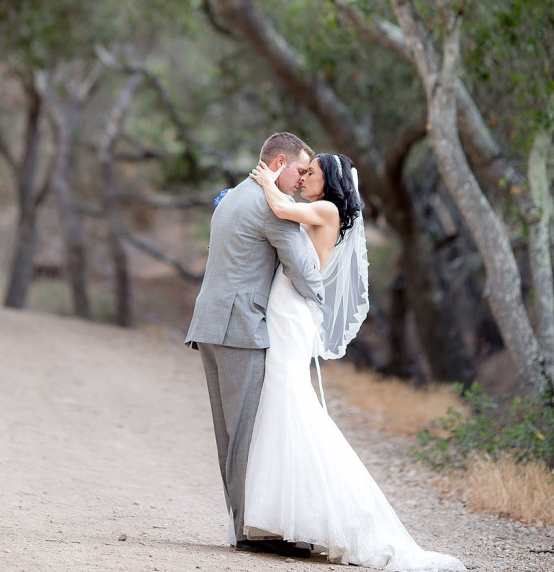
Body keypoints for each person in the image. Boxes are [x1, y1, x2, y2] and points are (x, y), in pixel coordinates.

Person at [244, 153, 467, 571]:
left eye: (311, 173)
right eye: (304, 172)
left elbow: (279, 208)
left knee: (290, 398)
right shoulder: (322, 209)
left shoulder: (325, 209)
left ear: (329, 181)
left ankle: (320, 513)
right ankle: (288, 513)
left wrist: (266, 179)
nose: (305, 177)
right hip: (286, 305)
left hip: (292, 311)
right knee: (284, 398)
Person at [185, 132, 325, 556]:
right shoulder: (270, 206)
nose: (302, 180)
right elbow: (305, 272)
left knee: (229, 433)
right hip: (239, 328)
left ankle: (242, 526)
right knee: (245, 431)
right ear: (279, 163)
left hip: (212, 323)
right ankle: (251, 532)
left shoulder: (233, 195)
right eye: (301, 170)